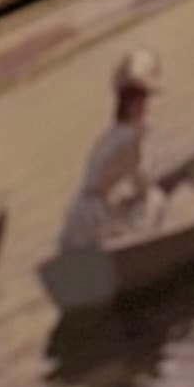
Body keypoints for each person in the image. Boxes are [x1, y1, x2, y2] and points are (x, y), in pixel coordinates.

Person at [57, 46, 164, 259]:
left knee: (135, 205)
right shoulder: (131, 137)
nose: (144, 105)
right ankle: (148, 252)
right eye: (140, 99)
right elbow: (141, 182)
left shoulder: (112, 134)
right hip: (93, 216)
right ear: (130, 103)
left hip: (81, 212)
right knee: (155, 199)